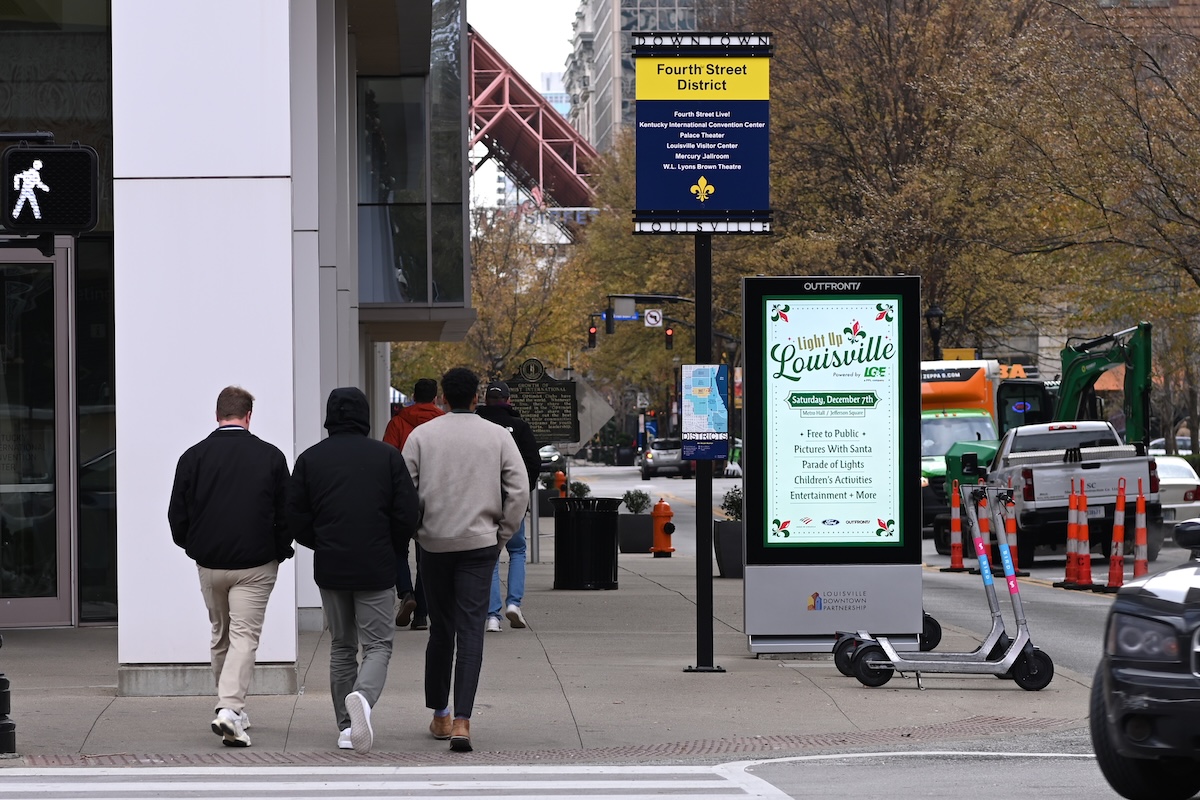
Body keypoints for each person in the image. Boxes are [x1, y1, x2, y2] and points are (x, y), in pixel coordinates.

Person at [402, 367, 528, 752]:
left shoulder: (421, 436)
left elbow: (404, 493)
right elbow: (519, 489)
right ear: (476, 397)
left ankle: (439, 713)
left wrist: (418, 531)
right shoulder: (497, 436)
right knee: (472, 630)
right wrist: (501, 534)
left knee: (441, 629)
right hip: (479, 545)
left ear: (442, 396)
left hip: (435, 545)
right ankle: (462, 722)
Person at [287, 387, 419, 754]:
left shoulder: (310, 460)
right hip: (375, 565)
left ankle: (346, 729)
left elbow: (296, 517)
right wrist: (389, 546)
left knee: (342, 646)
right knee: (378, 644)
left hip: (331, 566)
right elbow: (407, 514)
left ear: (330, 417)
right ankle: (362, 697)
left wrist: (322, 541)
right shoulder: (387, 458)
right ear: (364, 417)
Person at [168, 386, 292, 748]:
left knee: (220, 634)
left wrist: (193, 547)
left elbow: (178, 514)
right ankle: (230, 709)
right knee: (244, 636)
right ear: (249, 416)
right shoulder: (270, 456)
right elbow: (286, 512)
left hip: (209, 563)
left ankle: (231, 707)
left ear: (217, 414)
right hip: (255, 562)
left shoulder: (193, 457)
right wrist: (279, 550)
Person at [476, 380, 540, 632]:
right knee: (517, 551)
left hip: (483, 499)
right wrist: (523, 492)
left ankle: (492, 615)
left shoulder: (477, 427)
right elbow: (533, 463)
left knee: (491, 556)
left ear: (485, 401)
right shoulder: (520, 427)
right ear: (508, 401)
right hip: (512, 498)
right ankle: (513, 603)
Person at [382, 377, 445, 630]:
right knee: (426, 555)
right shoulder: (443, 424)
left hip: (401, 495)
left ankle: (406, 593)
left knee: (397, 548)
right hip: (434, 495)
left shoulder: (398, 422)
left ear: (413, 395)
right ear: (435, 397)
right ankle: (422, 615)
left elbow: (388, 457)